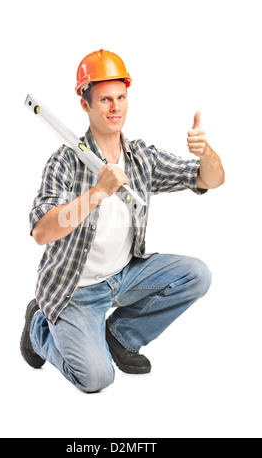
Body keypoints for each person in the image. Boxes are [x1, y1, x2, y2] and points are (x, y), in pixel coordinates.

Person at [20, 49, 225, 393]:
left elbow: (210, 179)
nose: (115, 107)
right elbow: (42, 231)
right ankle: (39, 327)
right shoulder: (65, 162)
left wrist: (207, 154)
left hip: (125, 275)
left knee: (196, 275)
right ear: (85, 105)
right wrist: (97, 192)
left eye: (121, 97)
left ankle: (120, 334)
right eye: (104, 99)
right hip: (76, 290)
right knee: (96, 379)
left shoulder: (141, 157)